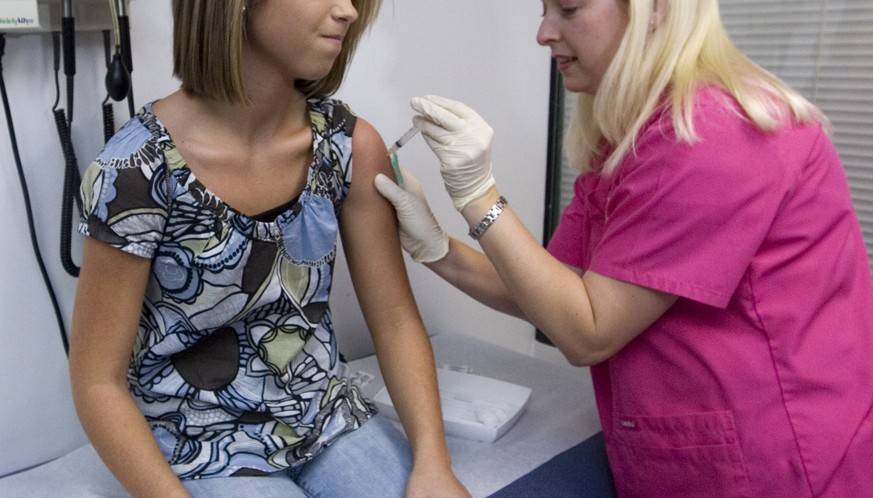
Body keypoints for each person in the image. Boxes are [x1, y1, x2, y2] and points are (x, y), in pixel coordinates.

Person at [374, 0, 873, 496]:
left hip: (775, 459)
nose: (543, 33)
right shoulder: (632, 136)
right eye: (543, 9)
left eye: (568, 9)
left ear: (654, 8)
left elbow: (586, 331)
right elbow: (555, 287)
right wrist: (439, 250)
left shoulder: (714, 137)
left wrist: (478, 194)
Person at [69, 1, 471, 497]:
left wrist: (433, 463)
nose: (347, 11)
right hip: (200, 443)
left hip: (325, 419)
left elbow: (393, 319)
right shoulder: (133, 172)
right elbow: (96, 383)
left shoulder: (348, 146)